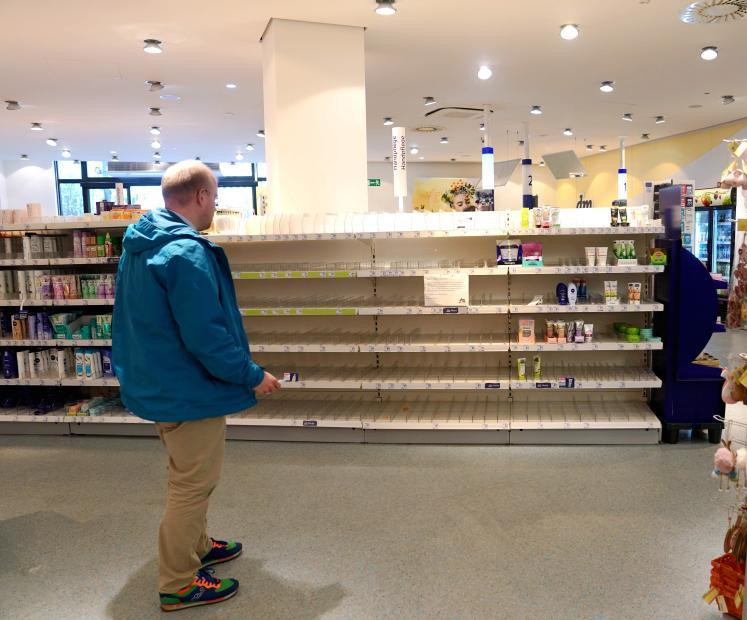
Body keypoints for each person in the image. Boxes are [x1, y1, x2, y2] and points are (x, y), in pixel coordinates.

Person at [112, 160, 281, 612]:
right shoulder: (185, 253)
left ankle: (198, 546)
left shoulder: (141, 243)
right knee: (192, 485)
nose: (215, 206)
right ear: (202, 196)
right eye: (216, 197)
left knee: (186, 476)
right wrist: (252, 375)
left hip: (159, 383)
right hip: (189, 389)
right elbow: (206, 335)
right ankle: (178, 583)